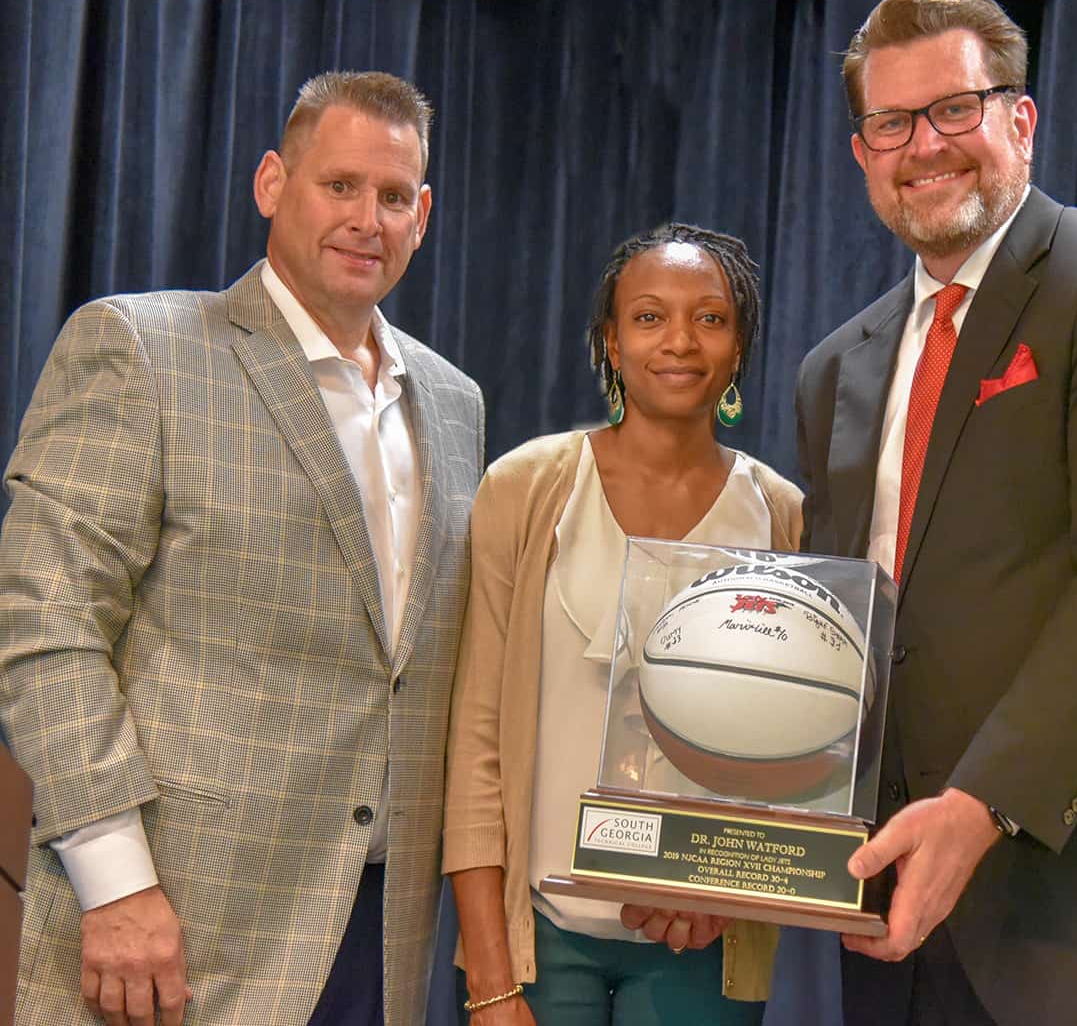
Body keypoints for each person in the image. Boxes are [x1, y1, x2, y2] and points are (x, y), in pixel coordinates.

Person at [0, 70, 484, 1026]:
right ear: (273, 183)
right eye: (338, 185)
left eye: (392, 197)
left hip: (378, 937)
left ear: (422, 216)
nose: (365, 219)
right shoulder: (141, 347)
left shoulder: (455, 402)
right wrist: (115, 880)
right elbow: (41, 622)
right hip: (172, 924)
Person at [789, 0, 1077, 1026]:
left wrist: (977, 809)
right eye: (892, 122)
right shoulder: (833, 370)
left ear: (1019, 118)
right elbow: (839, 641)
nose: (924, 144)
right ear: (862, 153)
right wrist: (747, 851)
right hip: (891, 927)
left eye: (955, 109)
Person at [441, 223, 806, 1025]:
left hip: (700, 940)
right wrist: (491, 982)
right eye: (648, 317)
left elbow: (794, 754)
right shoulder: (528, 487)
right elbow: (476, 743)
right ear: (610, 339)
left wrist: (729, 885)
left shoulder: (783, 517)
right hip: (538, 935)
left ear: (739, 345)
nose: (679, 340)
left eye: (710, 317)